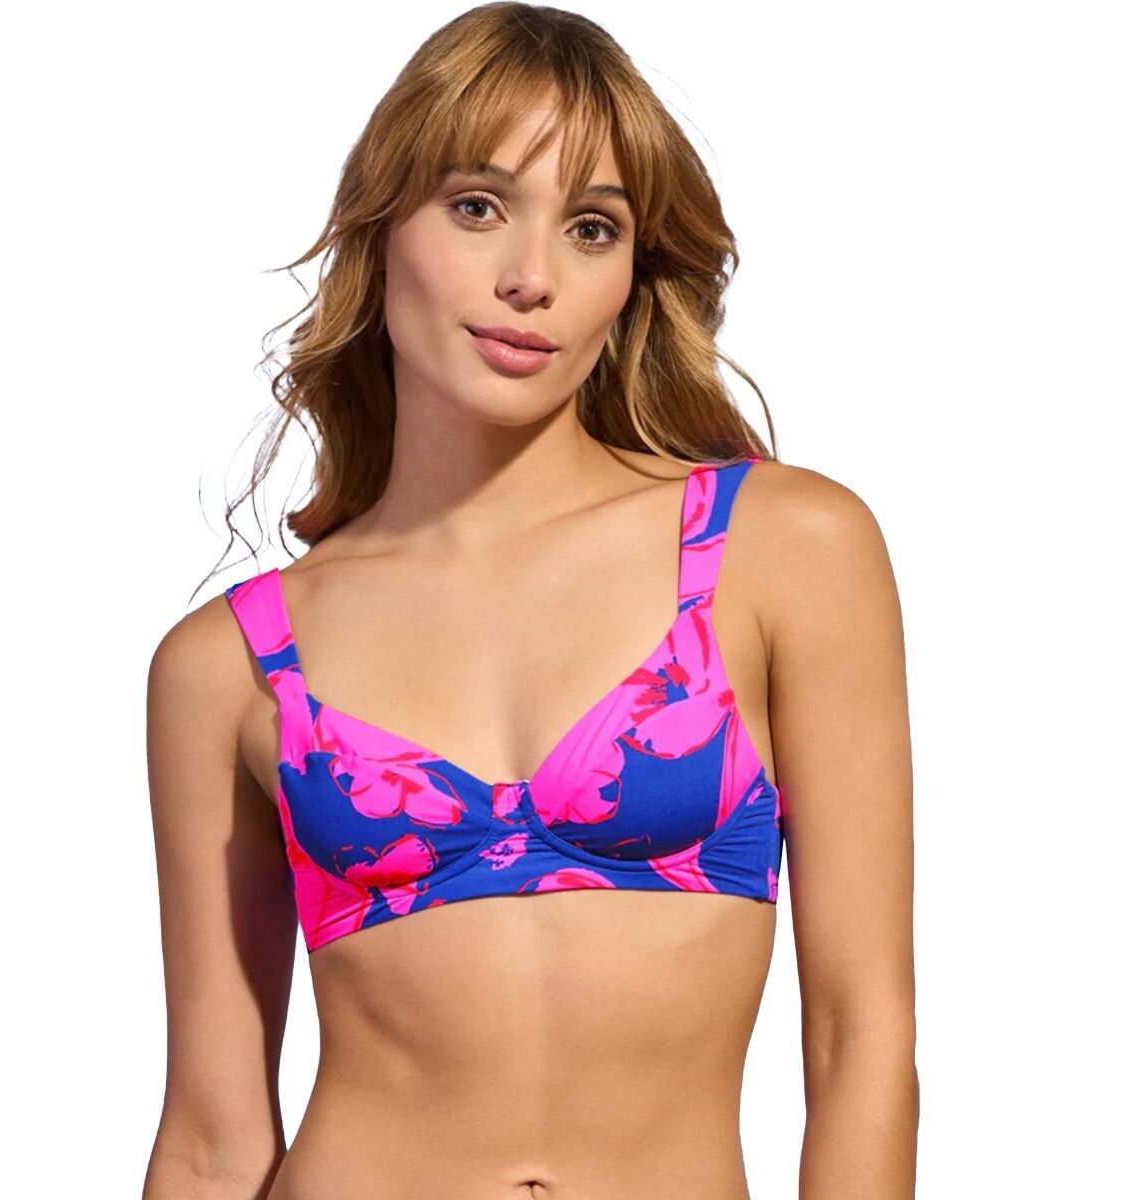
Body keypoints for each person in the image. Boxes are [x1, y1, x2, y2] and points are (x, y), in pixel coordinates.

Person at [143, 5, 918, 1198]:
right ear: (381, 231)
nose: (531, 279)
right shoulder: (231, 663)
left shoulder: (778, 552)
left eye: (592, 227)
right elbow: (211, 1141)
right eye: (477, 206)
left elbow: (860, 1039)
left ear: (631, 279)